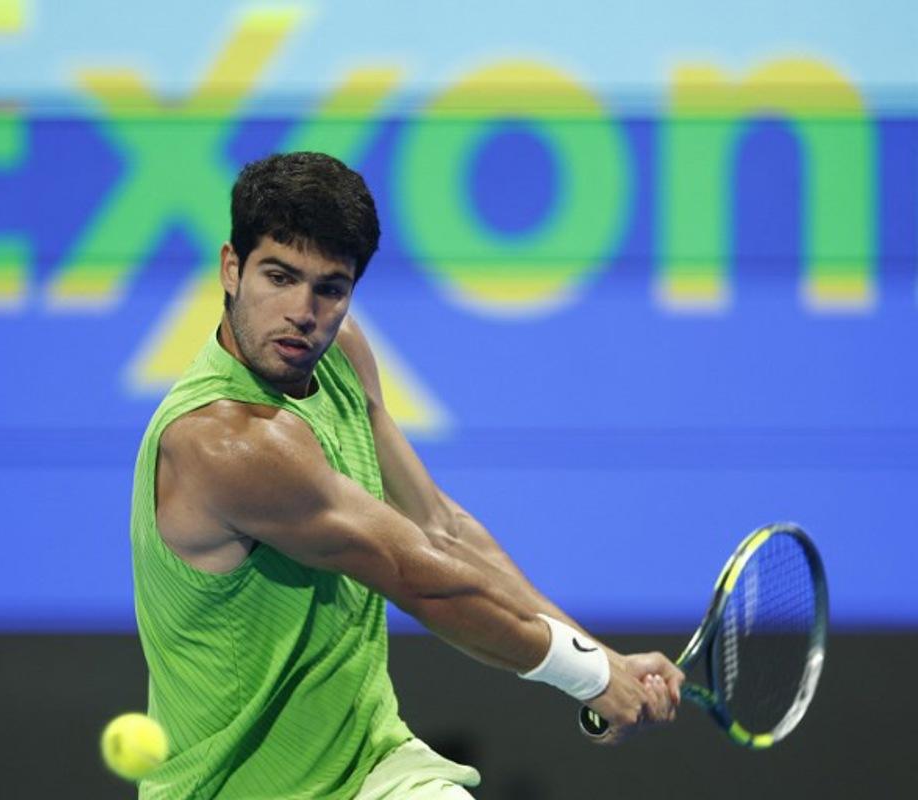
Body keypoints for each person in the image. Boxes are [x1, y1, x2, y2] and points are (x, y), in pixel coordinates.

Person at [129, 152, 683, 799]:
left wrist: (598, 659)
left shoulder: (339, 355)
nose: (302, 311)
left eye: (330, 288)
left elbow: (440, 528)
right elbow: (421, 579)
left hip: (375, 769)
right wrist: (589, 676)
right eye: (279, 277)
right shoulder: (224, 442)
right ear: (231, 268)